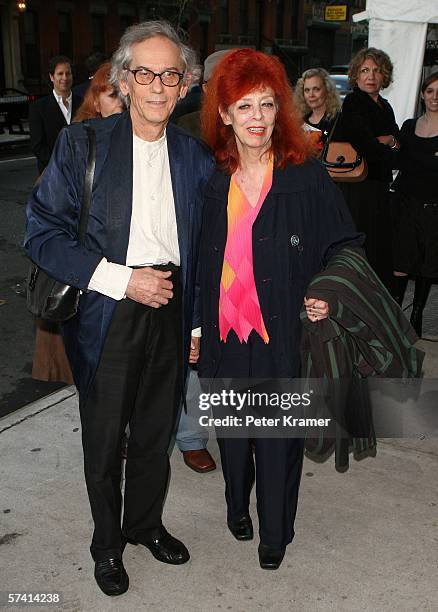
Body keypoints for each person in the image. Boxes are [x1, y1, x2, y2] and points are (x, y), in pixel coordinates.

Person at [25, 20, 215, 596]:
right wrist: (118, 280)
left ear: (185, 86)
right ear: (124, 80)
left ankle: (145, 525)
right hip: (109, 306)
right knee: (106, 439)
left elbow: (207, 246)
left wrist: (199, 321)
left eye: (170, 74)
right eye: (145, 73)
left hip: (175, 306)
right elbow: (41, 233)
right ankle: (106, 545)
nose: (158, 85)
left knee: (157, 433)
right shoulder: (82, 144)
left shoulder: (196, 157)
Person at [198, 48, 363, 570]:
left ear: (280, 111)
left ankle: (275, 532)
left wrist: (326, 290)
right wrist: (195, 327)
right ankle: (235, 506)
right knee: (233, 435)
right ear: (224, 114)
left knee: (277, 440)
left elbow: (345, 244)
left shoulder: (305, 178)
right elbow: (196, 262)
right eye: (244, 107)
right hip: (224, 337)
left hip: (282, 336)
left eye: (267, 105)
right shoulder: (208, 182)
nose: (257, 119)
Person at [31, 63, 125, 387]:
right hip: (86, 286)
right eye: (113, 94)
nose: (123, 102)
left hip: (127, 292)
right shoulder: (77, 144)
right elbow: (46, 228)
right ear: (96, 101)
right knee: (97, 387)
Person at [172, 50, 234, 474]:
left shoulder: (257, 124)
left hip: (244, 255)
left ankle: (239, 428)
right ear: (208, 86)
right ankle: (190, 435)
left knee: (237, 347)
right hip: (196, 253)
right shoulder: (184, 128)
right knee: (192, 349)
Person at [335, 47, 400, 293]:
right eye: (364, 70)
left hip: (380, 186)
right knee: (362, 246)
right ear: (356, 75)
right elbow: (365, 144)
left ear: (384, 75)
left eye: (376, 70)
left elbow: (395, 142)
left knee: (379, 247)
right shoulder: (353, 101)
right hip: (358, 187)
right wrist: (387, 144)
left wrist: (387, 143)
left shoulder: (385, 105)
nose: (370, 76)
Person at [391, 71, 438, 336]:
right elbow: (396, 161)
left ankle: (417, 314)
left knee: (426, 264)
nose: (435, 97)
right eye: (430, 91)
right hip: (405, 203)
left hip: (434, 207)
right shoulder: (409, 126)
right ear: (422, 95)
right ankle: (397, 313)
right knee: (401, 261)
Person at [29, 55, 81, 174]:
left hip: (80, 172)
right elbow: (37, 146)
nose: (65, 78)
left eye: (68, 73)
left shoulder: (82, 103)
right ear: (51, 77)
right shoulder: (39, 108)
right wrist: (60, 165)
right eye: (60, 74)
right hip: (52, 174)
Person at [294, 67, 341, 150]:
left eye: (316, 89)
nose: (311, 95)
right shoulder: (299, 122)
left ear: (327, 90)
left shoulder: (338, 120)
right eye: (307, 90)